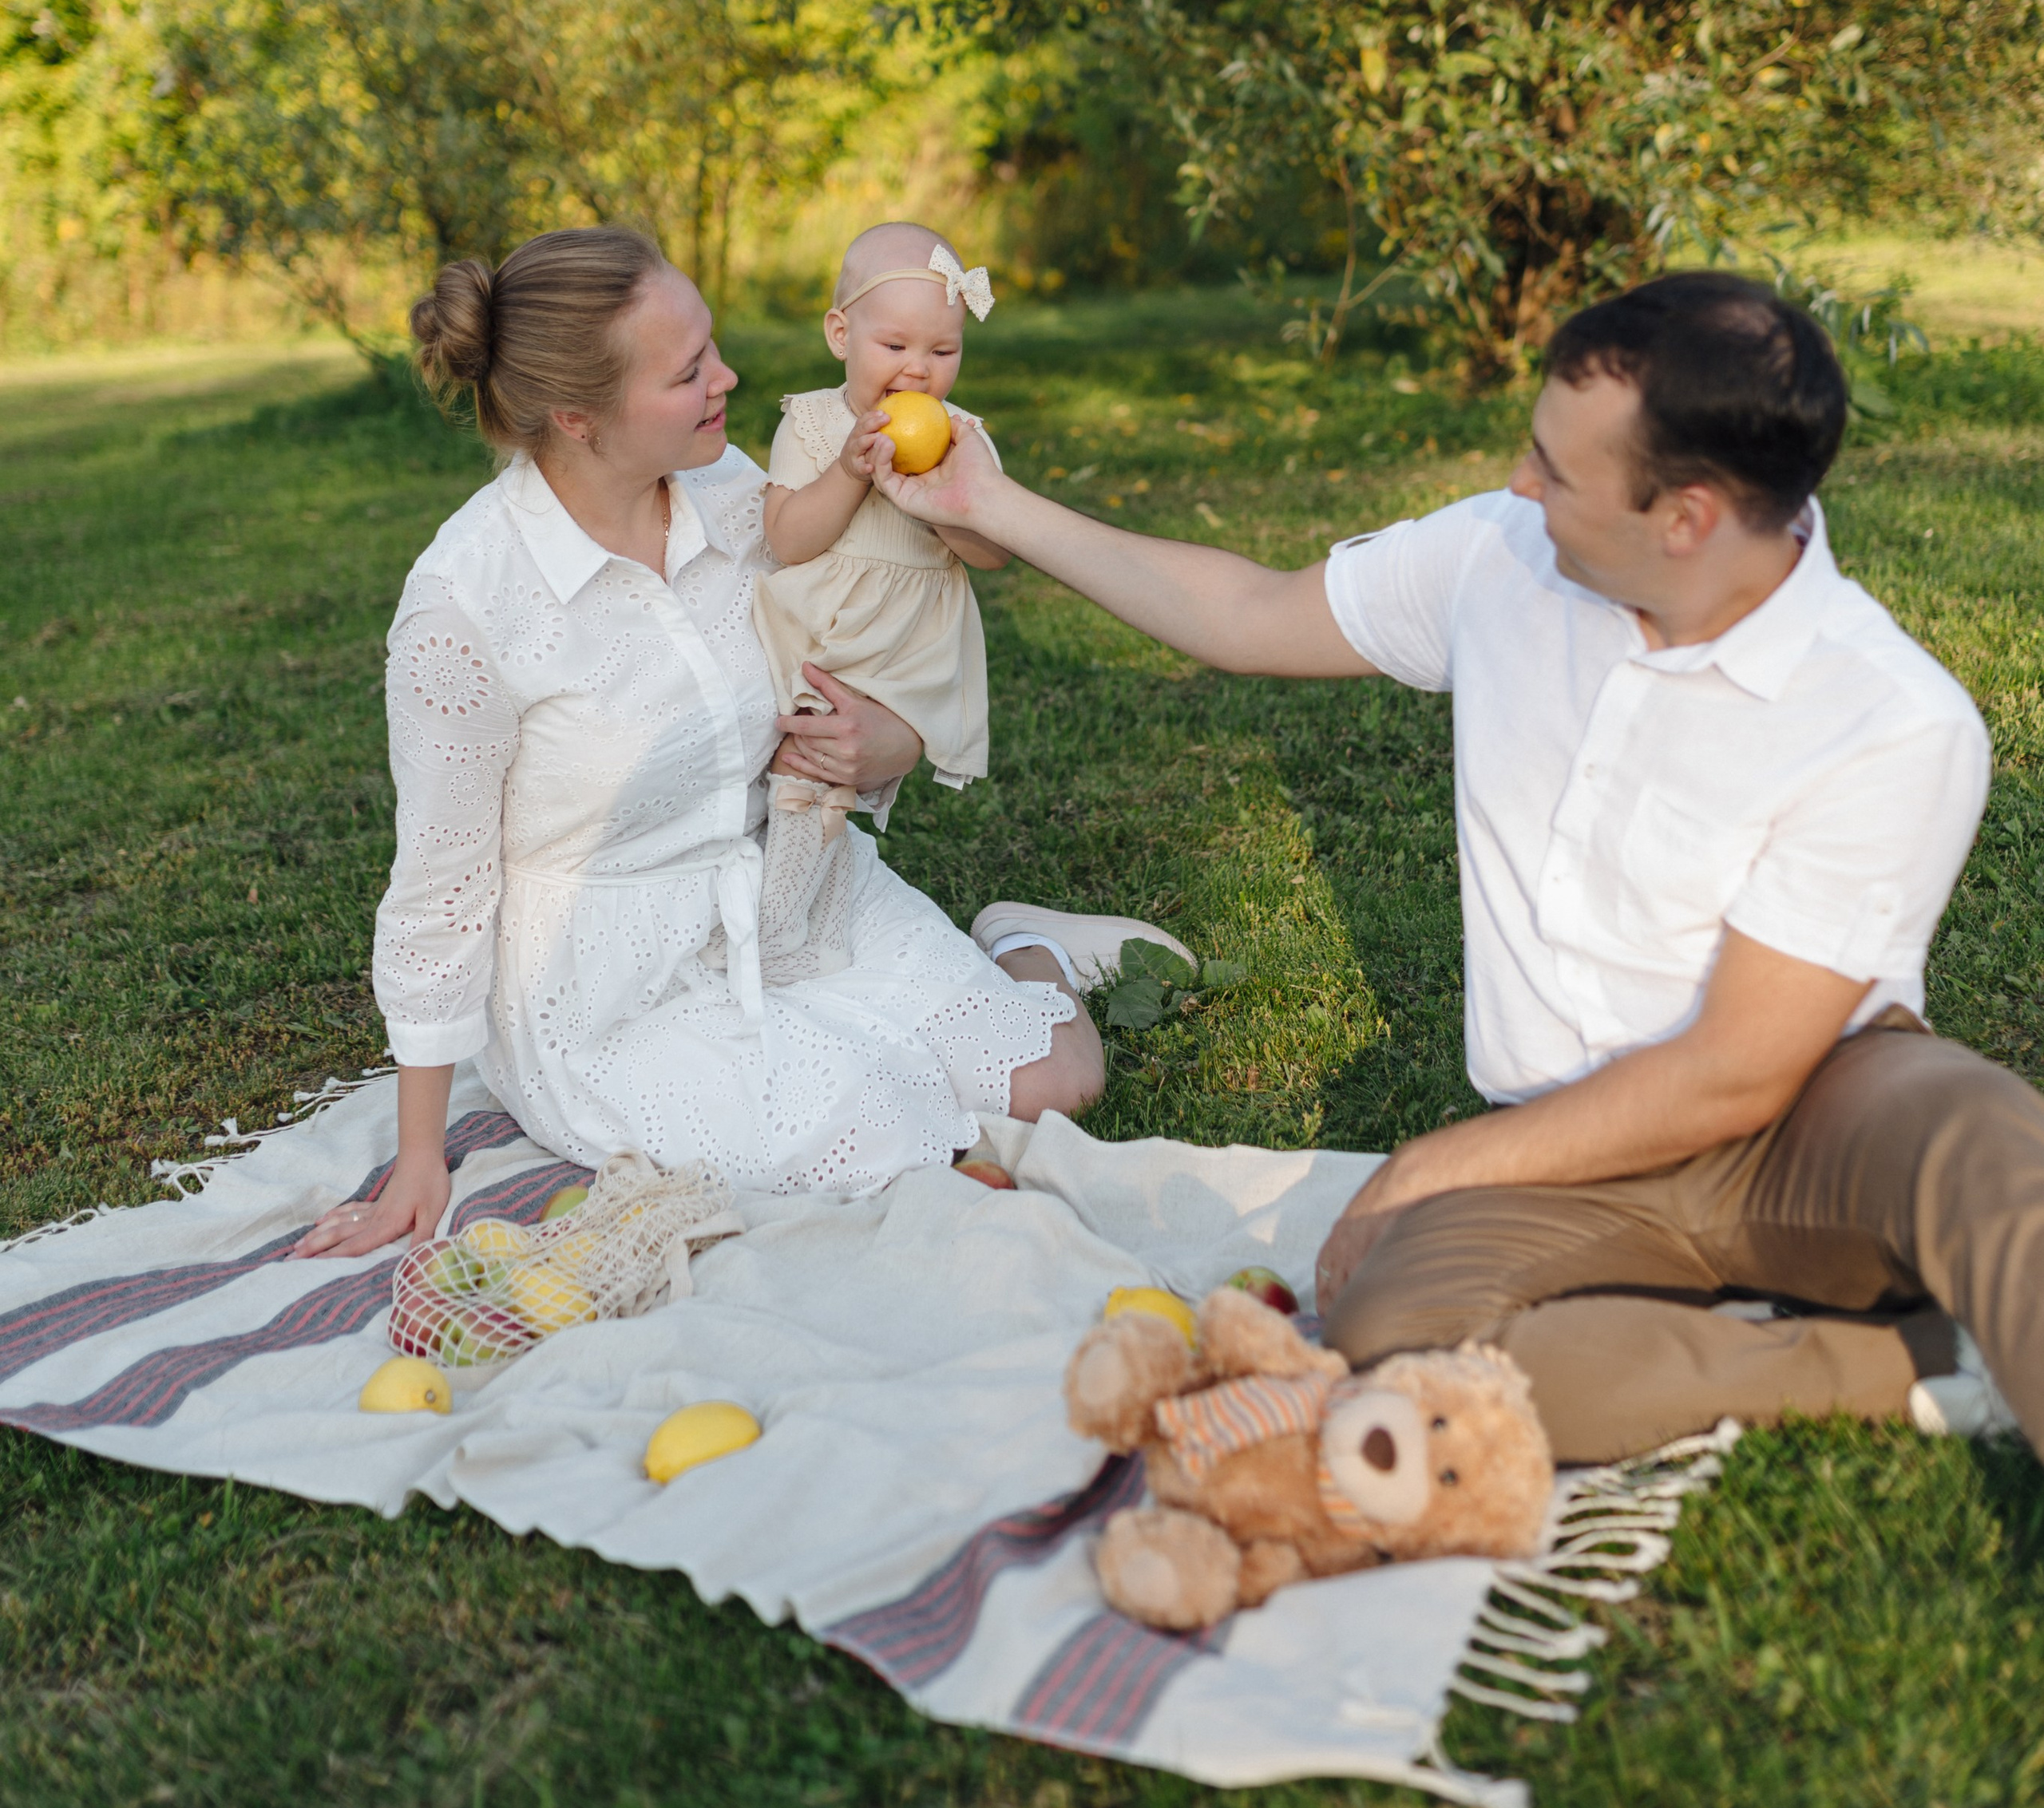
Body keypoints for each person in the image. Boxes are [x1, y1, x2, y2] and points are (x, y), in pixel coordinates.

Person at [871, 271, 2044, 1462]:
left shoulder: (1892, 718)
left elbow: (1739, 1076)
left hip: (1816, 1116)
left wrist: (1430, 1167)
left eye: (1556, 469)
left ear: (1684, 516)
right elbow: (1249, 612)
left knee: (1988, 1145)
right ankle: (1897, 1363)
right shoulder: (1502, 557)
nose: (1521, 485)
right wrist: (991, 503)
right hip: (1567, 1160)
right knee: (1397, 1343)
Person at [295, 225, 1160, 1262]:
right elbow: (439, 886)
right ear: (578, 418)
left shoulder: (729, 489)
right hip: (617, 989)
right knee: (912, 1138)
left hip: (791, 884)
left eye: (713, 346)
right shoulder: (469, 606)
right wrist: (421, 1154)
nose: (729, 377)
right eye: (689, 369)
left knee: (1058, 1088)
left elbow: (848, 647)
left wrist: (891, 742)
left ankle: (1024, 943)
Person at [746, 222, 1014, 983]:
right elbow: (788, 536)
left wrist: (941, 507)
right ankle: (800, 929)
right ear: (841, 333)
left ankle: (781, 935)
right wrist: (851, 473)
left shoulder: (962, 441)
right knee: (809, 783)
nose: (919, 373)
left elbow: (994, 554)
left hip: (901, 652)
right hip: (825, 634)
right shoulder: (813, 424)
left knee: (819, 779)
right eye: (895, 347)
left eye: (943, 351)